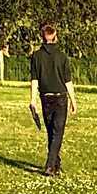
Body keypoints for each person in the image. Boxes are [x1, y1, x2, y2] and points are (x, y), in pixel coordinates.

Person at [27, 20, 75, 176]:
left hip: (45, 98)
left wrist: (32, 100)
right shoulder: (62, 57)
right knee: (58, 132)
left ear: (43, 37)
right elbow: (68, 81)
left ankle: (56, 164)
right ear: (55, 37)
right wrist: (74, 101)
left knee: (51, 132)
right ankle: (49, 165)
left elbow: (34, 80)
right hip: (60, 98)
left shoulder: (36, 56)